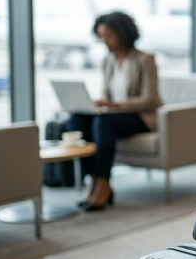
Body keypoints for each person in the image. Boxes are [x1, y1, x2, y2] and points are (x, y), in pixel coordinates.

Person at [67, 11, 162, 211]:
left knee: (103, 123)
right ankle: (93, 179)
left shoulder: (145, 60)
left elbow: (150, 99)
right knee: (77, 118)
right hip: (114, 115)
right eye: (101, 37)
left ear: (123, 34)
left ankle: (103, 183)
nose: (105, 42)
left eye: (109, 36)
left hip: (141, 117)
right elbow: (107, 95)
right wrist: (99, 104)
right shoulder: (108, 61)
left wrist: (116, 105)